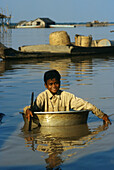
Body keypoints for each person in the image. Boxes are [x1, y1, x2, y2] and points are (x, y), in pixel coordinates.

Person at [24, 69, 111, 126]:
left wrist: (102, 115)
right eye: (51, 84)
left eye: (56, 83)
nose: (54, 86)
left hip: (64, 124)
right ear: (46, 85)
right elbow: (33, 107)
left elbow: (86, 105)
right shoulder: (42, 96)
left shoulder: (67, 96)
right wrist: (28, 110)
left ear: (60, 83)